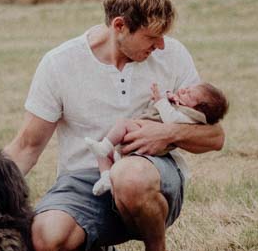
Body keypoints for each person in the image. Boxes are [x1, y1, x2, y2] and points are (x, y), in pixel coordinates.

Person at [2, 0, 225, 251]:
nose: (160, 44)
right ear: (119, 26)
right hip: (83, 183)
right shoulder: (59, 63)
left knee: (129, 176)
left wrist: (166, 135)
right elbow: (26, 146)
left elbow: (215, 137)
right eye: (151, 37)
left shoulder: (173, 55)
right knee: (43, 243)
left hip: (149, 178)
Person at [85, 80, 229, 195]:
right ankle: (105, 177)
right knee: (103, 153)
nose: (184, 90)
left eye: (189, 94)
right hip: (138, 138)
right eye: (187, 88)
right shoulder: (184, 107)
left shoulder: (190, 117)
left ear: (197, 109)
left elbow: (171, 118)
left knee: (122, 124)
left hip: (147, 140)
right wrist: (171, 97)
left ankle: (105, 148)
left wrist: (160, 100)